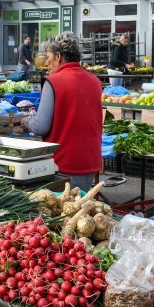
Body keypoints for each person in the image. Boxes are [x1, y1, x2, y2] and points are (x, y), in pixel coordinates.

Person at [30, 33, 103, 191]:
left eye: (48, 57)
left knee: (62, 211)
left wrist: (26, 121)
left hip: (63, 163)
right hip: (90, 161)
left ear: (58, 56)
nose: (47, 63)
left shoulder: (53, 81)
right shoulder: (95, 81)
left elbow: (40, 126)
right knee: (80, 208)